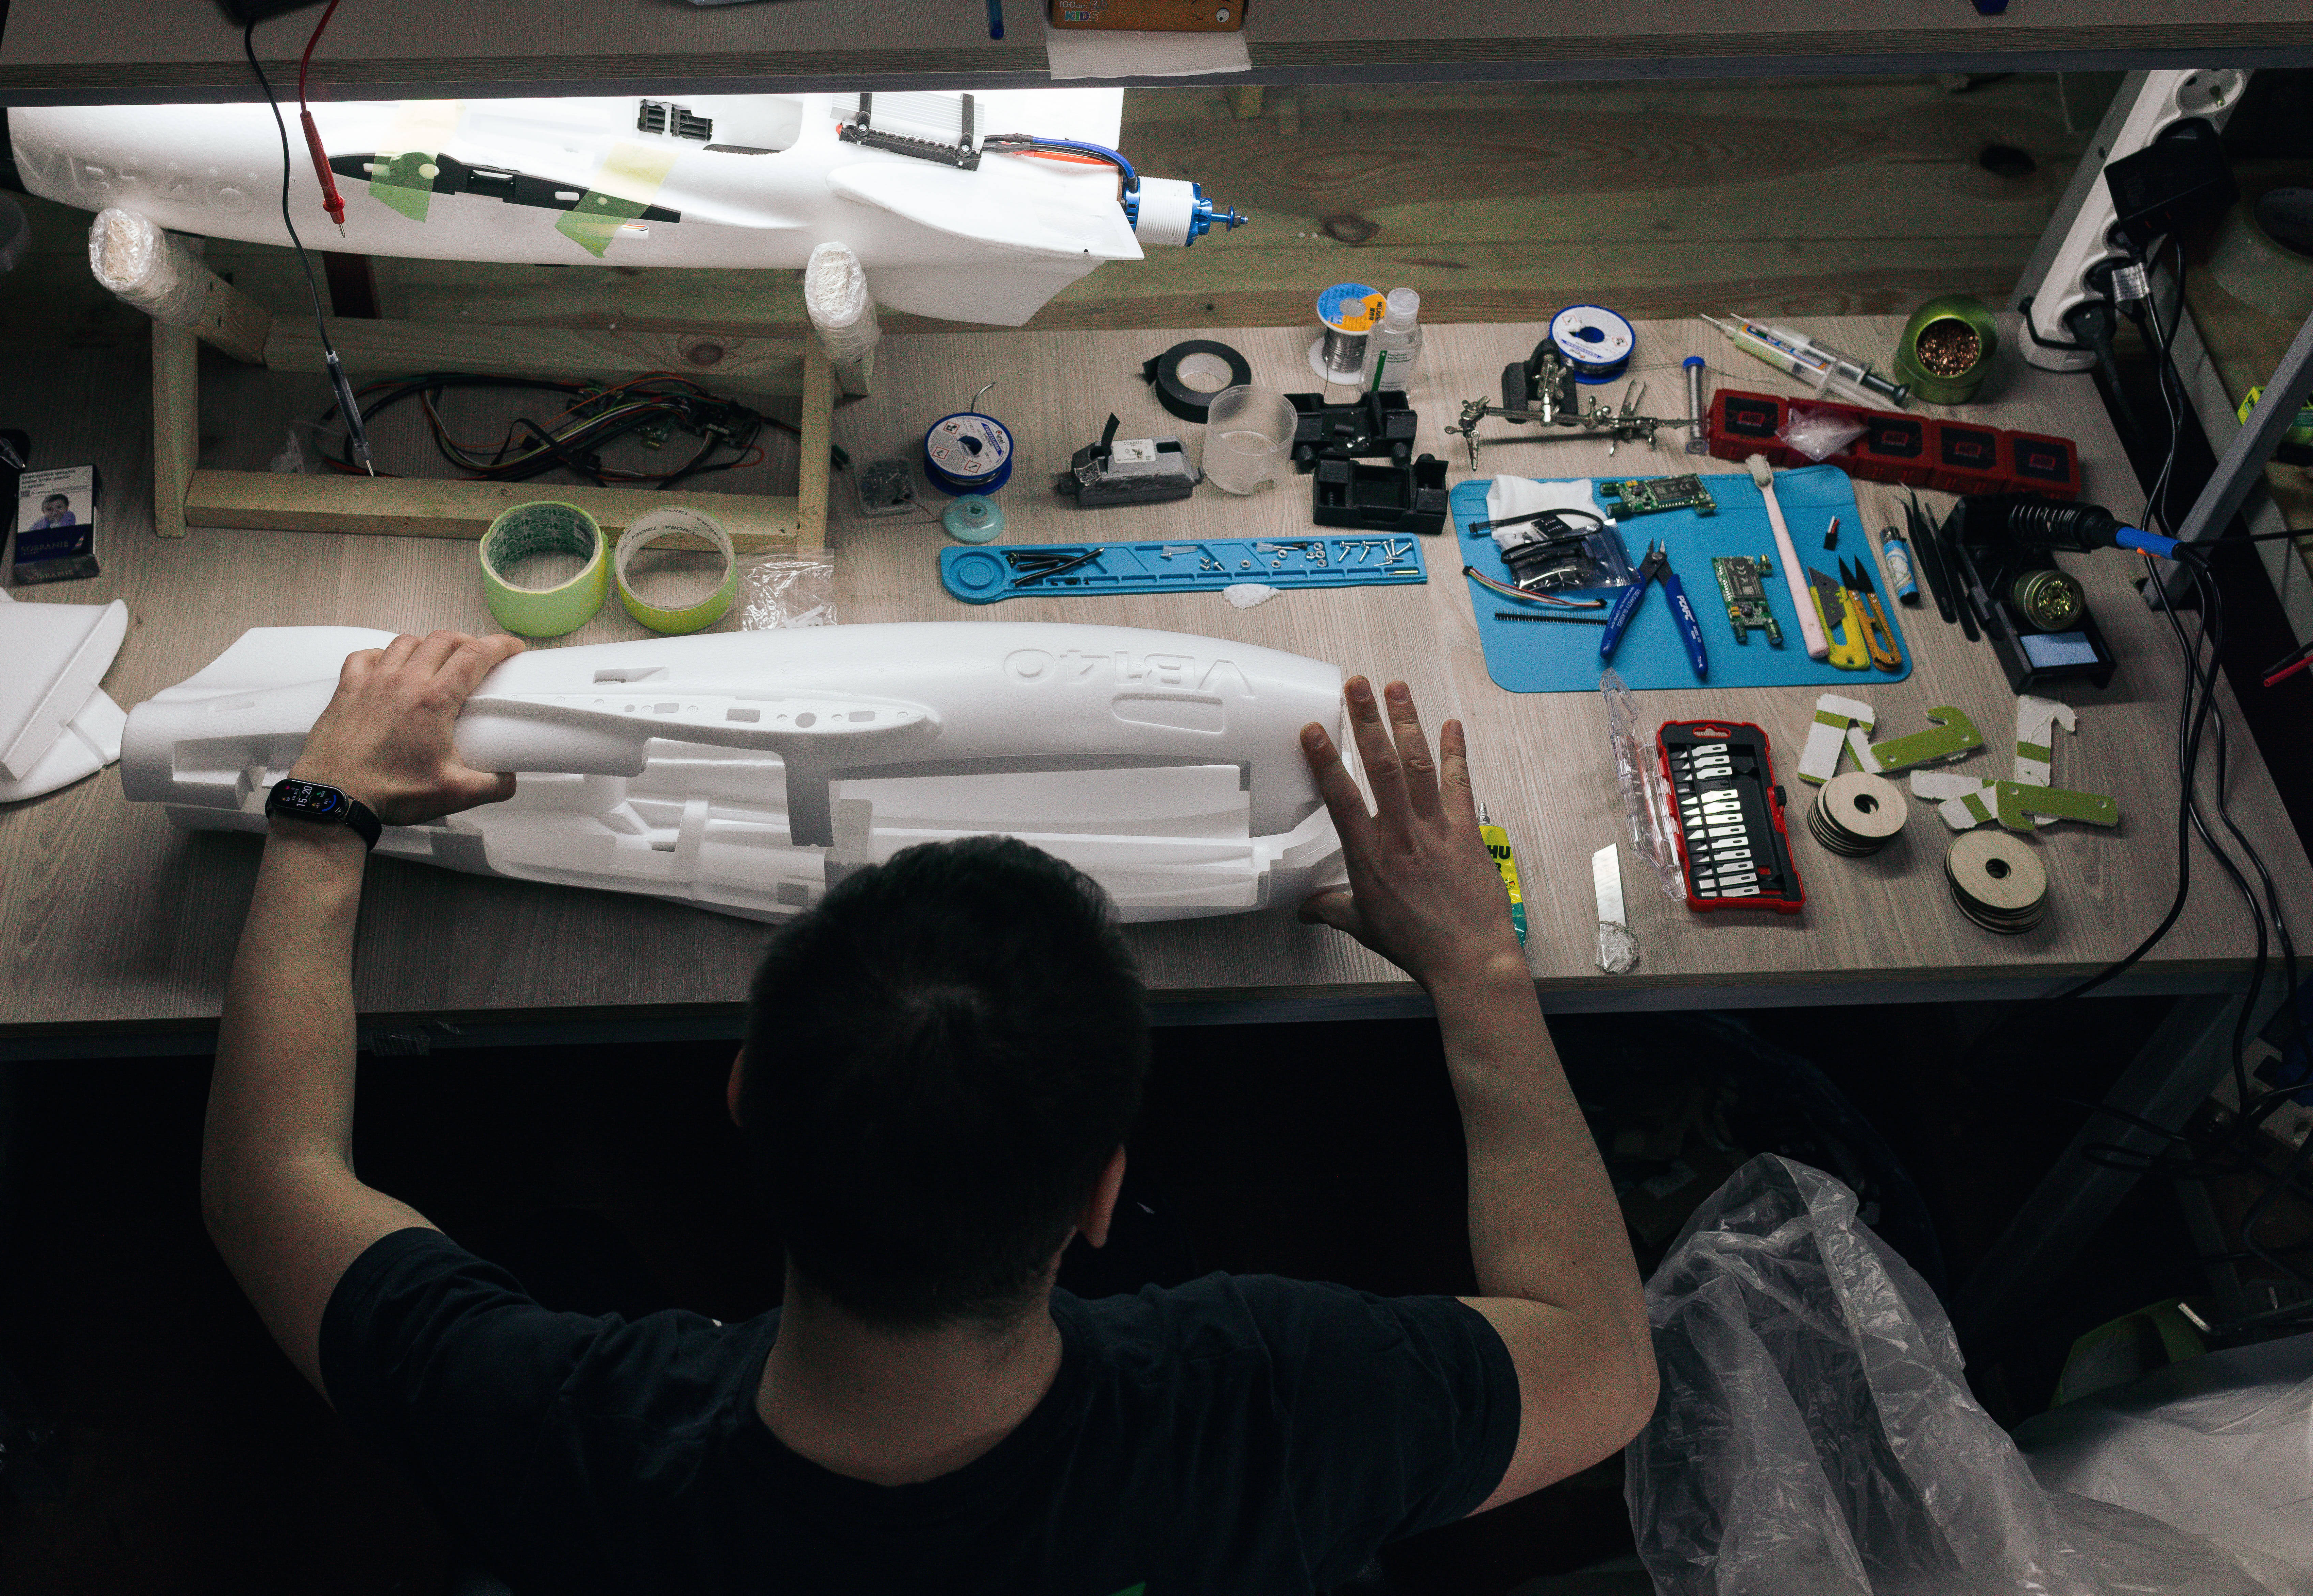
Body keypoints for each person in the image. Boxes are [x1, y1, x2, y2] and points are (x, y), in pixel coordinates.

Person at [202, 630, 1657, 1592]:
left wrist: (325, 816)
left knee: (562, 1245)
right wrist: (1475, 959)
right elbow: (1605, 1358)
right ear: (1099, 1192)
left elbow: (268, 1177)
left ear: (740, 1095)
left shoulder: (569, 1435)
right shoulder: (1260, 1409)